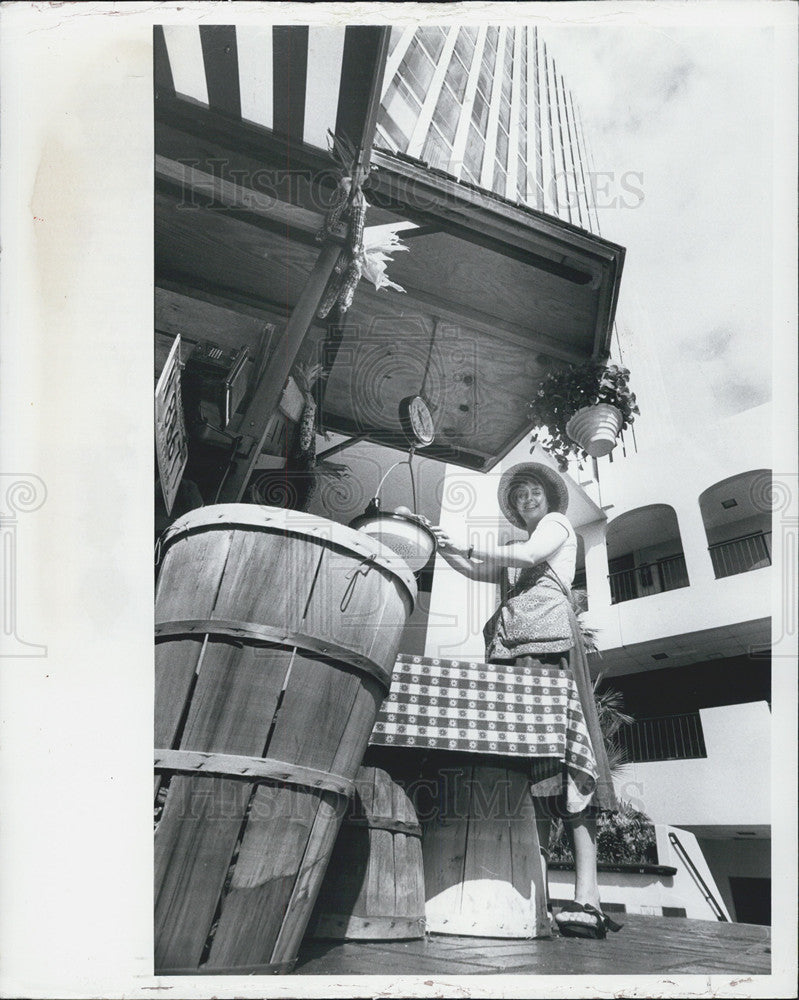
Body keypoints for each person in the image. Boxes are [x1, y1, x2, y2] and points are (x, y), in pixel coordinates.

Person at [429, 462, 623, 940]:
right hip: (519, 653)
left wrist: (468, 545)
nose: (527, 499)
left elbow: (524, 554)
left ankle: (588, 896)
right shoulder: (517, 553)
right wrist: (444, 547)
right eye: (519, 496)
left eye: (533, 491)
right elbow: (478, 567)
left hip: (548, 651)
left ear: (547, 497)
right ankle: (541, 897)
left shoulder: (555, 528)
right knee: (532, 769)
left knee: (569, 764)